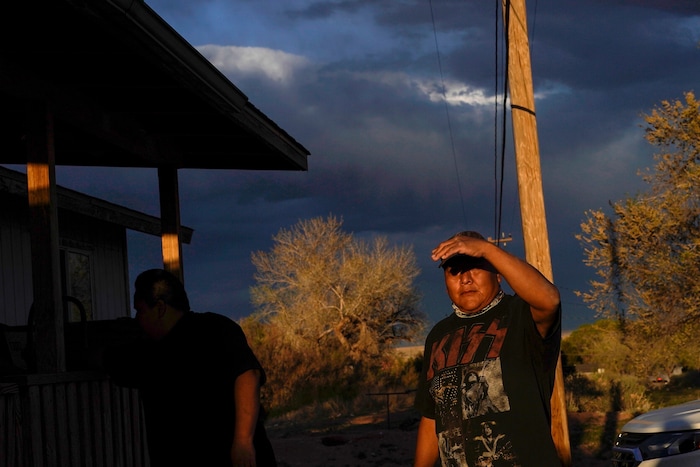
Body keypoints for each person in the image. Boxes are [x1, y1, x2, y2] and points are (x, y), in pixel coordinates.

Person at [413, 231, 561, 467]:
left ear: (498, 273)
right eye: (455, 271)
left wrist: (486, 249)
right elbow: (432, 417)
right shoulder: (438, 336)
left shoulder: (520, 315)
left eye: (476, 266)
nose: (466, 279)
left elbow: (550, 300)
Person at [103, 268, 277, 467]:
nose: (137, 319)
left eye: (140, 310)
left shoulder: (214, 329)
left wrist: (243, 443)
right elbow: (108, 361)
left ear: (160, 308)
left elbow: (248, 375)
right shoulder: (146, 352)